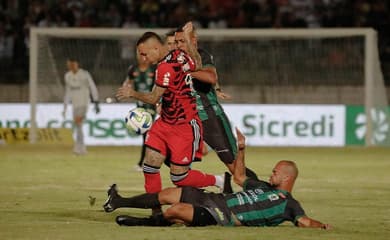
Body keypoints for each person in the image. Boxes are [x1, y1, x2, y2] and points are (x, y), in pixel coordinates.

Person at [103, 128, 332, 229]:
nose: (270, 174)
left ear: (286, 177)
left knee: (176, 209)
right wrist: (241, 148)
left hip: (222, 215)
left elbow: (304, 222)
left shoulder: (289, 204)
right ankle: (119, 201)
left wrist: (323, 226)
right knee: (167, 194)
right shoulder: (261, 186)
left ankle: (139, 223)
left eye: (275, 172)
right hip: (215, 199)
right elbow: (240, 175)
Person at [114, 22, 225, 210]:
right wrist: (189, 44)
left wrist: (132, 93)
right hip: (165, 122)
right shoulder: (179, 56)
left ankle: (218, 181)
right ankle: (156, 211)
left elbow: (153, 97)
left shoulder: (165, 67)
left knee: (179, 177)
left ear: (156, 48)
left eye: (144, 53)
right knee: (150, 165)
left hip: (184, 126)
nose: (142, 58)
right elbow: (196, 63)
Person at [174, 26, 258, 187]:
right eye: (176, 42)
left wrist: (188, 71)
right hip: (189, 120)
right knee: (176, 163)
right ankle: (194, 196)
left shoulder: (202, 56)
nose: (178, 45)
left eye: (182, 41)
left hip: (210, 117)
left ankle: (264, 192)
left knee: (235, 167)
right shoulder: (175, 59)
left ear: (193, 41)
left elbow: (211, 77)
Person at [122, 48, 157, 171]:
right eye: (139, 55)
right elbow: (128, 83)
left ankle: (143, 163)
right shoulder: (133, 69)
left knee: (146, 135)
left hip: (151, 106)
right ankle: (145, 162)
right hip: (139, 107)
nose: (142, 58)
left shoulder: (154, 69)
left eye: (144, 55)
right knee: (146, 136)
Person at [62, 58, 100, 155]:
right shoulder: (68, 76)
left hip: (84, 103)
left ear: (77, 64)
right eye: (69, 65)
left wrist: (96, 101)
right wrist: (65, 107)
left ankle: (78, 148)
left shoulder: (84, 74)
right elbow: (68, 92)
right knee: (78, 125)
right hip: (75, 104)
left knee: (78, 123)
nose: (71, 66)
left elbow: (92, 86)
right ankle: (81, 148)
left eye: (73, 64)